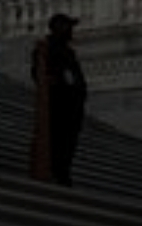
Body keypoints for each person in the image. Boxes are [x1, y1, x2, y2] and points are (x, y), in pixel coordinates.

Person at [30, 13, 88, 187]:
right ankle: (56, 170)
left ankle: (63, 170)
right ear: (59, 28)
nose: (72, 31)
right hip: (58, 106)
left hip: (72, 106)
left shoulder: (69, 52)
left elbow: (76, 78)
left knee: (69, 142)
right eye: (69, 26)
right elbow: (38, 75)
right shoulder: (45, 49)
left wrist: (81, 93)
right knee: (58, 140)